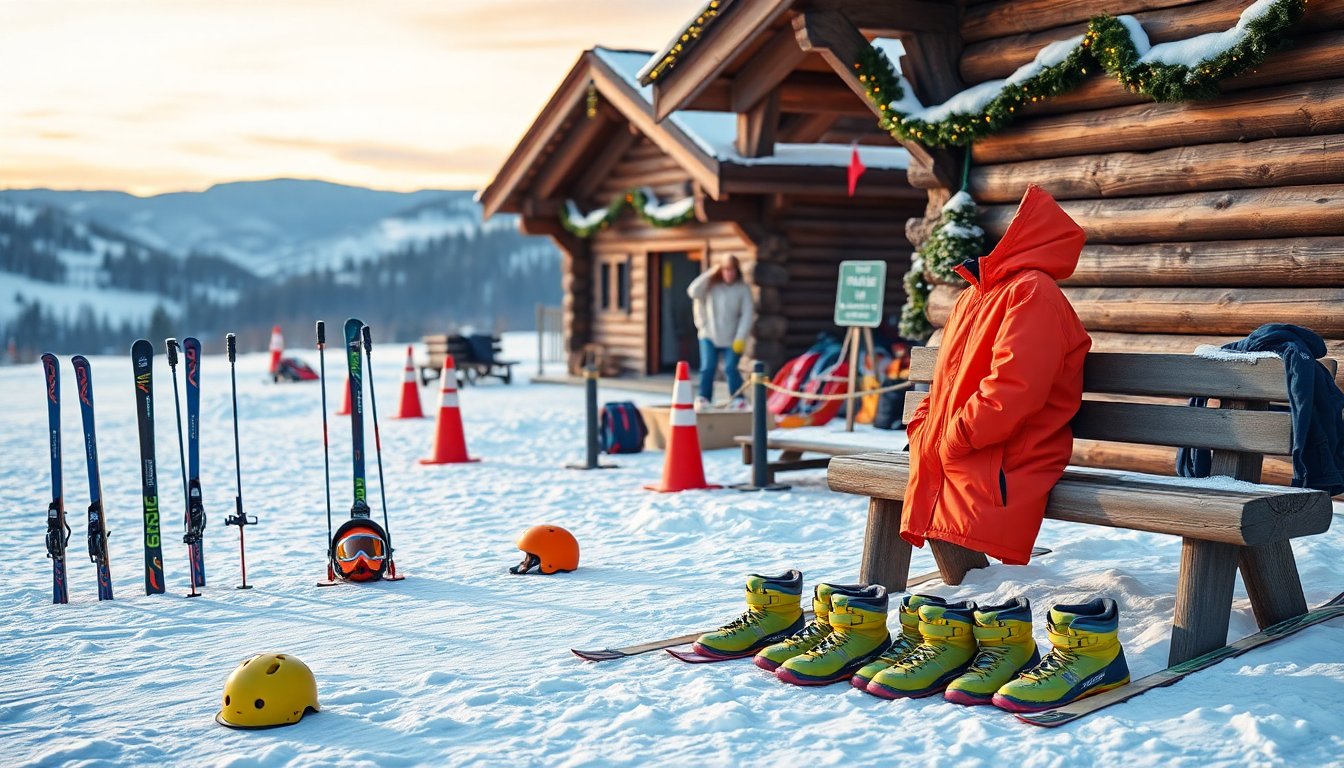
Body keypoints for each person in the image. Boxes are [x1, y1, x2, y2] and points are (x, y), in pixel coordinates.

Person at [902, 184, 1091, 566]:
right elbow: (946, 382)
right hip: (973, 451)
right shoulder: (975, 294)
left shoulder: (1032, 293)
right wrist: (926, 429)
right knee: (963, 593)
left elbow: (1013, 391)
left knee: (977, 595)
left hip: (1003, 458)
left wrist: (955, 437)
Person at [687, 254, 754, 410]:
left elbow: (747, 314)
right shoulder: (710, 286)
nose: (729, 273)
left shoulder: (742, 289)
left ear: (737, 271)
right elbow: (692, 291)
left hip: (732, 338)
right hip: (709, 335)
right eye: (725, 270)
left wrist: (740, 337)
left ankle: (738, 398)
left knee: (731, 368)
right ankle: (704, 397)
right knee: (708, 367)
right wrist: (712, 271)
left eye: (732, 270)